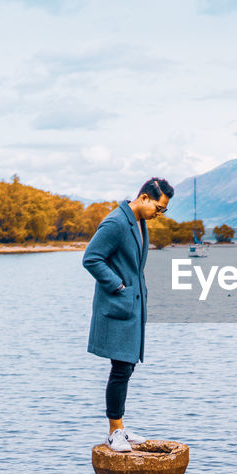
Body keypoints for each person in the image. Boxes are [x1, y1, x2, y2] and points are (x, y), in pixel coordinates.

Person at [82, 178, 174, 451]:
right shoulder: (116, 223)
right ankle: (114, 432)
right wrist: (118, 285)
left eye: (163, 210)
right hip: (118, 305)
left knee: (127, 366)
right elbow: (91, 258)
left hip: (132, 306)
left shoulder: (139, 222)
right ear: (144, 198)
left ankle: (120, 427)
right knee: (121, 368)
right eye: (159, 207)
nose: (159, 213)